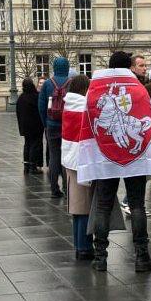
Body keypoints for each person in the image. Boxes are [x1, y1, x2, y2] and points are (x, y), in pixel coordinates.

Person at [82, 51, 151, 273]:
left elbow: (87, 121)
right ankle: (141, 256)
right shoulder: (139, 89)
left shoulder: (95, 90)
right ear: (129, 67)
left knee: (103, 205)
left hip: (105, 154)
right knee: (137, 204)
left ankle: (100, 257)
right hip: (134, 158)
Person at [61, 75, 95, 259]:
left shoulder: (69, 104)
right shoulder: (83, 107)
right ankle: (84, 248)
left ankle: (79, 244)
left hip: (70, 158)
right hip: (81, 160)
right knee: (83, 207)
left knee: (76, 207)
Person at [38, 56, 71, 198]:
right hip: (68, 124)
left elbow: (41, 106)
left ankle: (54, 189)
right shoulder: (72, 82)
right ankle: (67, 187)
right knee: (66, 156)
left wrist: (45, 123)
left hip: (51, 125)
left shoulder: (47, 84)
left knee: (54, 156)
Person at [16, 77, 45, 174]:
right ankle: (33, 166)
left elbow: (18, 112)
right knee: (34, 145)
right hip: (36, 126)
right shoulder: (36, 96)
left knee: (27, 144)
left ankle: (26, 166)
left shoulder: (21, 97)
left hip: (24, 126)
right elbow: (40, 110)